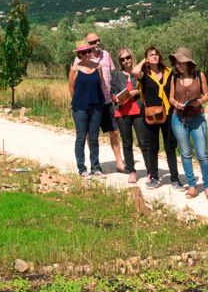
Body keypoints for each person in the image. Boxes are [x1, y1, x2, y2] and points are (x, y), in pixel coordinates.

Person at [72, 32, 126, 172]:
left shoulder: (106, 55)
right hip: (87, 104)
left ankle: (119, 162)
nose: (96, 44)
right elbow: (72, 88)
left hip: (107, 101)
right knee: (90, 135)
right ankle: (94, 165)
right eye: (92, 43)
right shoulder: (78, 62)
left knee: (114, 131)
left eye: (98, 41)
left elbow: (113, 75)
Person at [168, 48, 208, 199]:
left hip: (197, 118)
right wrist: (176, 104)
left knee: (202, 154)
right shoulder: (174, 78)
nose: (177, 65)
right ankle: (192, 185)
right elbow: (171, 97)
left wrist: (198, 102)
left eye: (180, 62)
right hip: (179, 119)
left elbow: (207, 95)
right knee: (185, 154)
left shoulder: (200, 76)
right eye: (176, 62)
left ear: (188, 63)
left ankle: (207, 186)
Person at [131, 45, 179, 188]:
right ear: (147, 58)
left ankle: (175, 178)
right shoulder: (144, 75)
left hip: (168, 112)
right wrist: (143, 61)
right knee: (153, 146)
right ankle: (154, 176)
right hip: (151, 114)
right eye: (151, 54)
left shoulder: (168, 73)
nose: (155, 56)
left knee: (170, 145)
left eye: (156, 54)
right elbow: (134, 71)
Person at [69, 40, 107, 177]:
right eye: (83, 52)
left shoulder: (98, 67)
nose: (87, 54)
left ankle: (96, 167)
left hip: (96, 106)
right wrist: (80, 100)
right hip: (80, 108)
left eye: (89, 51)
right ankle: (82, 168)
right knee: (81, 138)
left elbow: (101, 84)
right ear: (79, 54)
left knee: (94, 138)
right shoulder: (75, 69)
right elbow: (71, 90)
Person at [111, 48, 146, 182]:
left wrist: (138, 92)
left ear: (132, 57)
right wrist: (116, 98)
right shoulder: (116, 74)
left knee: (143, 142)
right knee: (127, 143)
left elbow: (148, 89)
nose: (126, 60)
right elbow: (112, 91)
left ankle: (150, 172)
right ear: (119, 61)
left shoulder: (139, 73)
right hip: (122, 112)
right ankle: (131, 171)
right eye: (122, 59)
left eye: (128, 57)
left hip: (138, 111)